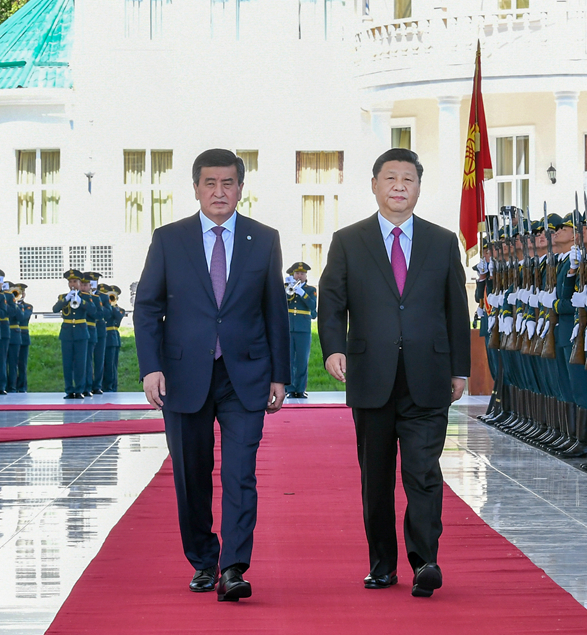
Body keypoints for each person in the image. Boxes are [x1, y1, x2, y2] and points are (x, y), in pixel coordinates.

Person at [133, 148, 290, 602]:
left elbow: (274, 310)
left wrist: (280, 374)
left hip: (246, 374)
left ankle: (234, 567)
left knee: (241, 474)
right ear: (196, 188)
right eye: (210, 183)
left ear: (240, 188)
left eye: (228, 183)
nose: (219, 192)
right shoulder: (169, 239)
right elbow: (148, 307)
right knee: (192, 475)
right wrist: (151, 368)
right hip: (183, 375)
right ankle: (204, 560)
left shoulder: (264, 239)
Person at [318, 148, 470, 598]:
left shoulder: (442, 241)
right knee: (377, 477)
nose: (399, 186)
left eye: (408, 178)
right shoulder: (349, 240)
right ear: (374, 185)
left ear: (419, 187)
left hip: (429, 376)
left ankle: (425, 562)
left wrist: (460, 369)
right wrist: (333, 349)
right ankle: (382, 564)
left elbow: (456, 309)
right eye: (390, 178)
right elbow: (332, 302)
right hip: (371, 375)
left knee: (423, 472)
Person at [53, 269, 90, 399]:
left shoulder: (86, 297)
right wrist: (66, 299)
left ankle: (79, 389)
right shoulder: (63, 297)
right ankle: (69, 390)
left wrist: (81, 301)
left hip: (81, 332)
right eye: (70, 282)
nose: (72, 284)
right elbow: (55, 309)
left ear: (80, 283)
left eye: (75, 281)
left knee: (80, 363)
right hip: (67, 333)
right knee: (67, 363)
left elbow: (95, 312)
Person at [284, 261, 317, 398]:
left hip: (303, 328)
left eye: (302, 274)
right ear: (293, 274)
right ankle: (290, 389)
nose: (299, 276)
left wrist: (302, 293)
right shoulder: (287, 287)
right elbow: (282, 302)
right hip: (288, 327)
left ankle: (300, 389)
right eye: (297, 273)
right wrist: (289, 287)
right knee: (289, 360)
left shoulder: (310, 290)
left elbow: (312, 305)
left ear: (306, 275)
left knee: (302, 360)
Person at [102, 285, 126, 392]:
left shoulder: (119, 310)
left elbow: (118, 317)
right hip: (101, 337)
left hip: (112, 338)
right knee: (100, 364)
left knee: (111, 365)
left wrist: (112, 305)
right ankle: (101, 386)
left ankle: (111, 386)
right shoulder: (102, 308)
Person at [14, 283, 32, 393]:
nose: (21, 294)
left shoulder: (28, 306)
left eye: (22, 292)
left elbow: (23, 317)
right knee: (11, 363)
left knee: (22, 364)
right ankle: (12, 386)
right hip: (13, 336)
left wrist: (16, 305)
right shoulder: (10, 305)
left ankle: (22, 387)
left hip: (23, 337)